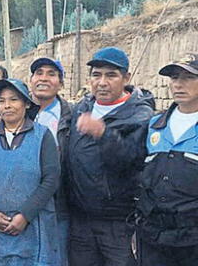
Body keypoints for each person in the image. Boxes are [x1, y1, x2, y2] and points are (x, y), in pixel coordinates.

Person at [64, 47, 153, 266]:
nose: (102, 82)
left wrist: (103, 134)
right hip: (81, 220)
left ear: (126, 78)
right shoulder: (83, 107)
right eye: (96, 75)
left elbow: (132, 159)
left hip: (118, 223)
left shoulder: (140, 115)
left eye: (111, 75)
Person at [0, 78, 60, 265]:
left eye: (14, 99)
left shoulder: (42, 135)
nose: (7, 106)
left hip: (34, 224)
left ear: (26, 103)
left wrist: (25, 215)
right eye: (1, 101)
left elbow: (51, 179)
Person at [134, 53, 198, 265]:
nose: (179, 84)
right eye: (174, 78)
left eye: (188, 77)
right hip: (154, 237)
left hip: (192, 240)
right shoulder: (154, 125)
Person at [29, 57, 72, 266]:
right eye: (39, 73)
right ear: (31, 80)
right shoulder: (19, 111)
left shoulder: (71, 115)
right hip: (23, 202)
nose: (44, 78)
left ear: (61, 83)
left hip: (58, 204)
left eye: (51, 74)